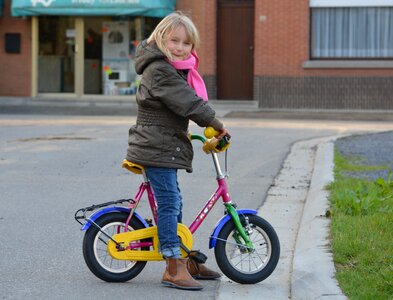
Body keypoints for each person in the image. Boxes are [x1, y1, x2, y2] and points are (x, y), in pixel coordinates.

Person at [125, 11, 230, 291]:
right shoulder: (160, 70)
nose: (180, 47)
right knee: (170, 202)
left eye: (187, 44)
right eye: (175, 40)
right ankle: (173, 265)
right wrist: (216, 124)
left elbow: (182, 105)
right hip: (155, 146)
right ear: (160, 38)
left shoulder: (174, 68)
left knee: (175, 202)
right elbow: (188, 103)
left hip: (163, 144)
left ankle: (185, 256)